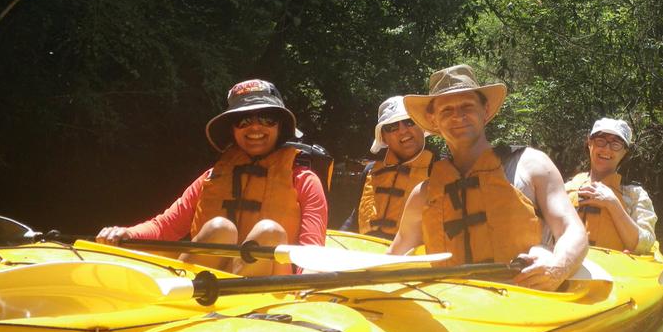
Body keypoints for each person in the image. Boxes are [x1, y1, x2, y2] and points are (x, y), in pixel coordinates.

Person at [387, 64, 587, 291]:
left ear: (485, 109)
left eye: (467, 106)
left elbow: (573, 230)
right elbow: (394, 257)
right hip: (456, 309)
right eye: (446, 110)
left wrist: (558, 267)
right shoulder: (424, 193)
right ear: (433, 121)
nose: (458, 116)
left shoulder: (532, 166)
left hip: (526, 302)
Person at [97, 79, 328, 276]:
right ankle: (184, 299)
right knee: (220, 228)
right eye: (243, 120)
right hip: (205, 288)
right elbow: (166, 226)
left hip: (264, 292)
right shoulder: (211, 177)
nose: (255, 127)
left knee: (269, 232)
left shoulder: (304, 180)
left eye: (267, 118)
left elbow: (312, 252)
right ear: (232, 129)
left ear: (281, 127)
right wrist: (127, 233)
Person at [346, 95, 436, 239]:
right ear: (384, 138)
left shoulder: (440, 171)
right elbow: (354, 218)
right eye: (392, 127)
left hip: (412, 258)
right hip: (368, 252)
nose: (402, 130)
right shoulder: (369, 171)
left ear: (421, 126)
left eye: (409, 122)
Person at [563, 118, 656, 254]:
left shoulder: (635, 195)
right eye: (600, 141)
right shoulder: (565, 189)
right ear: (589, 143)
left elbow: (644, 246)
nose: (606, 149)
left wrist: (612, 203)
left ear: (624, 152)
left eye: (616, 144)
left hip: (612, 271)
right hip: (570, 268)